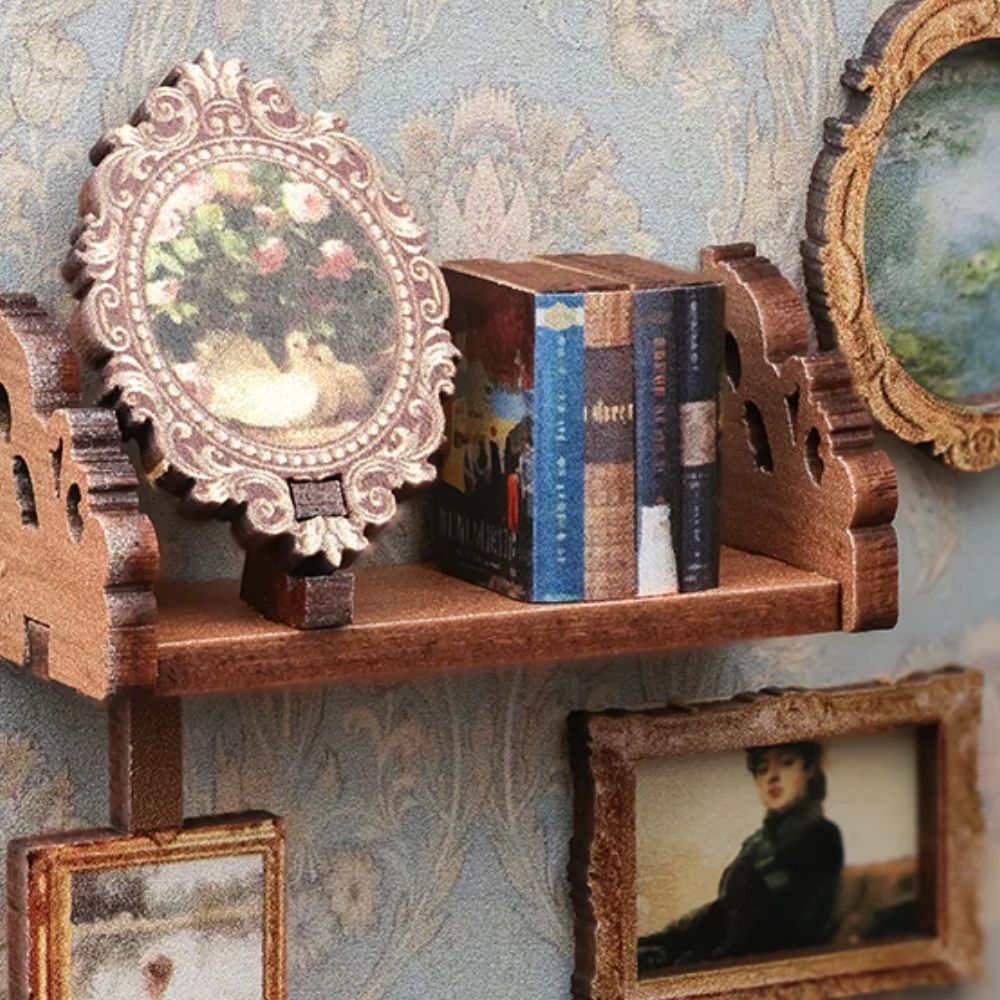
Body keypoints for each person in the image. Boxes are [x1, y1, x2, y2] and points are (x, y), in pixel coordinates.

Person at [638, 741, 844, 973]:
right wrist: (666, 943)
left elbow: (793, 928)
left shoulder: (822, 836)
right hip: (725, 957)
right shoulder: (756, 844)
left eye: (787, 763)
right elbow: (723, 911)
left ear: (809, 770)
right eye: (762, 769)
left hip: (770, 969)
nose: (772, 777)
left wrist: (707, 962)